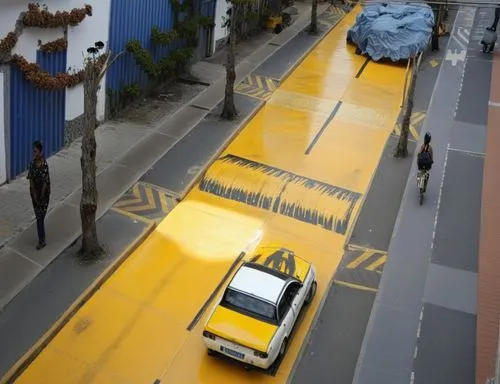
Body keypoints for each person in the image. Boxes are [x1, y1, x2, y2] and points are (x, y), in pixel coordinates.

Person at [27, 140, 50, 250]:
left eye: (36, 151)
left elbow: (45, 182)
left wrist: (41, 196)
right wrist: (35, 195)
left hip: (44, 195)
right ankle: (42, 239)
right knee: (39, 217)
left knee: (41, 216)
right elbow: (31, 179)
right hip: (35, 195)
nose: (34, 153)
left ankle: (42, 238)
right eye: (33, 151)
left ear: (41, 152)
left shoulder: (45, 165)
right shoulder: (31, 164)